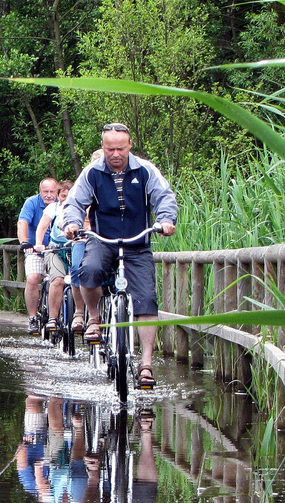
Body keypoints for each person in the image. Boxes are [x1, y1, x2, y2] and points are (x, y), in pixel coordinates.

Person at [61, 124, 177, 390]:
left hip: (138, 242)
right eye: (110, 148)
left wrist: (166, 220)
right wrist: (71, 223)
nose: (115, 153)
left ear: (130, 145)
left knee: (147, 299)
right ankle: (94, 319)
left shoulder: (145, 170)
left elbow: (164, 196)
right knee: (87, 271)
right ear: (102, 147)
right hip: (104, 240)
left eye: (120, 148)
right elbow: (75, 202)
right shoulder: (92, 172)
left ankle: (145, 364)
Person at [35, 177, 89, 338]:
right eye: (63, 195)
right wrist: (39, 243)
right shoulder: (53, 208)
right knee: (57, 279)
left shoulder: (81, 209)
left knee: (77, 276)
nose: (66, 198)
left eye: (69, 195)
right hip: (57, 249)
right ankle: (52, 317)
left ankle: (79, 314)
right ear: (58, 196)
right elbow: (42, 227)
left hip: (75, 248)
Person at [16, 177, 58, 334]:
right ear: (40, 192)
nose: (48, 195)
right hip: (36, 250)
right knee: (33, 278)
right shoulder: (32, 203)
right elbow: (23, 223)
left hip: (56, 250)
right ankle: (33, 317)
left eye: (52, 191)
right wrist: (25, 242)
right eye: (45, 191)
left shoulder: (62, 203)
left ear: (57, 191)